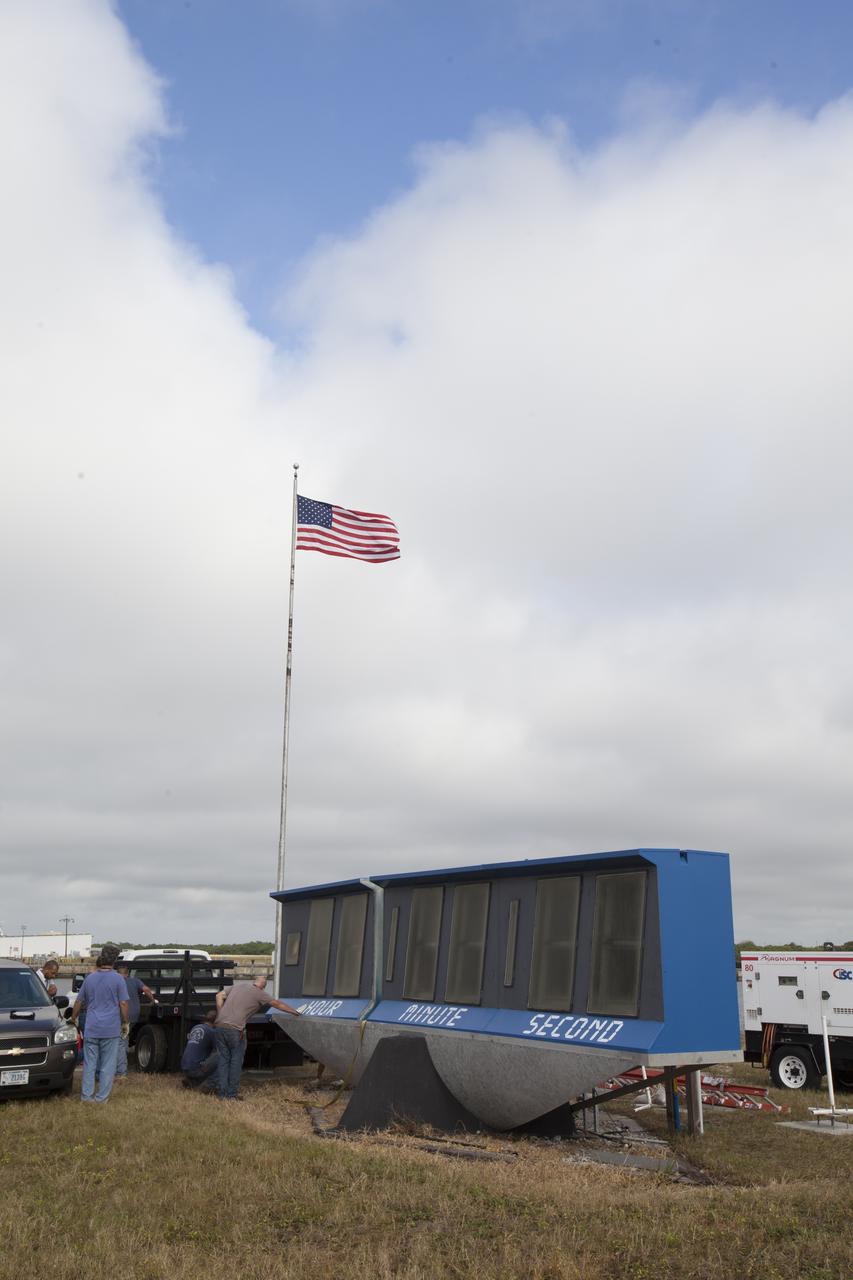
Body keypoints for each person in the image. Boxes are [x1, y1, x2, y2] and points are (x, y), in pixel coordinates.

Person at [213, 976, 300, 1100]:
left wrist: (220, 1013)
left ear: (253, 982)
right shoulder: (260, 994)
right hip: (235, 1029)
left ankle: (222, 1094)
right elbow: (277, 1004)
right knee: (235, 1062)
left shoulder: (239, 986)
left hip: (219, 1026)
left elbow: (218, 996)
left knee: (223, 1060)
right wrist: (295, 1012)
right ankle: (232, 1095)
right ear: (263, 987)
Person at [71, 954, 129, 1103]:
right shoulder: (118, 979)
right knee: (107, 1065)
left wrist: (73, 1018)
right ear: (113, 963)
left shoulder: (89, 978)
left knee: (90, 1064)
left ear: (100, 963)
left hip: (92, 1027)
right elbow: (123, 1003)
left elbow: (79, 1001)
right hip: (110, 1028)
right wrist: (125, 1022)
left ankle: (86, 1096)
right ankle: (101, 1097)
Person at [114, 962, 156, 1080]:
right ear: (128, 973)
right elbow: (146, 989)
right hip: (134, 1015)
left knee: (120, 1042)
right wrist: (152, 1000)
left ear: (118, 973)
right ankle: (122, 1064)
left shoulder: (116, 982)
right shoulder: (135, 981)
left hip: (122, 1015)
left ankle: (121, 1072)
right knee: (125, 1039)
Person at [181, 1009, 219, 1091]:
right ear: (216, 1021)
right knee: (223, 1056)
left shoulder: (195, 1027)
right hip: (196, 1069)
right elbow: (218, 1051)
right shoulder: (212, 1032)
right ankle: (209, 1085)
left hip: (185, 1068)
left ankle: (192, 1081)